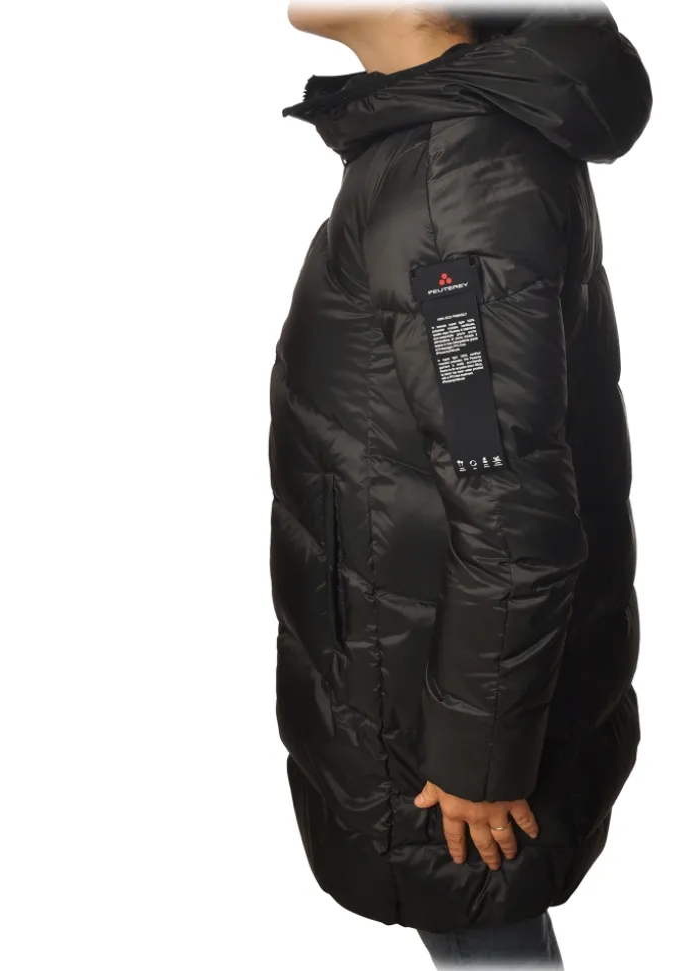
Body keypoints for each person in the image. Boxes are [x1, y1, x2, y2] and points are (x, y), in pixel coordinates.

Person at [270, 4, 651, 966]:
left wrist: (479, 760)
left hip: (443, 710)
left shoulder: (451, 186)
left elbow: (509, 505)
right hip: (421, 665)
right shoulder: (442, 154)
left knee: (488, 942)